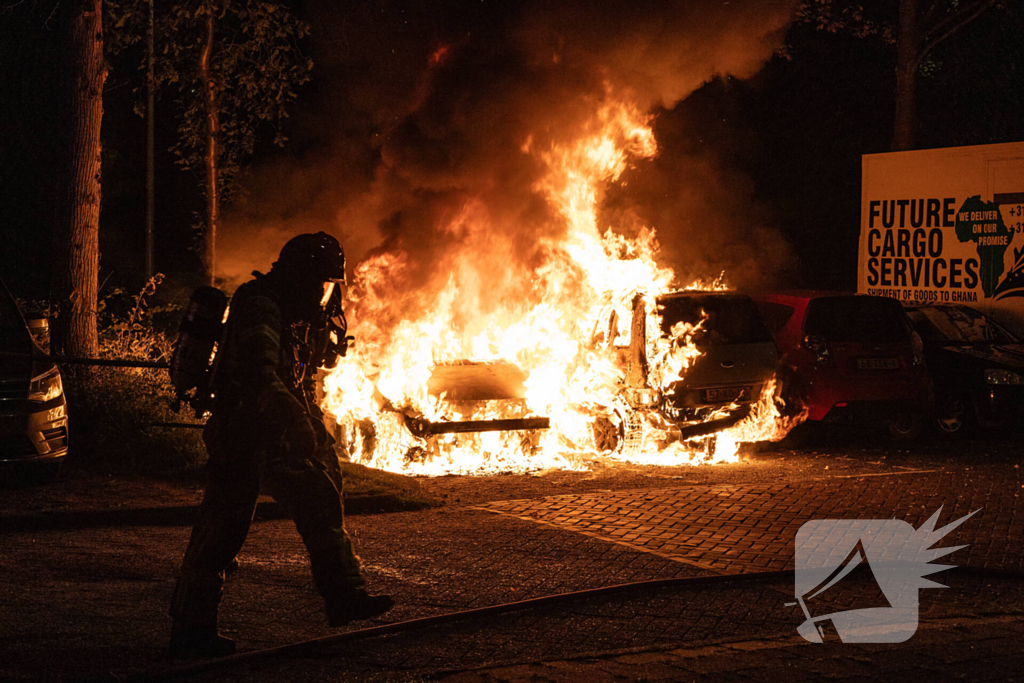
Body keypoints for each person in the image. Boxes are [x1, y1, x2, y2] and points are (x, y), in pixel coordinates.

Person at [168, 232, 392, 659]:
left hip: (264, 428)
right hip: (245, 431)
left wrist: (312, 425)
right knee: (227, 531)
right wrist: (294, 420)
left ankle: (193, 628)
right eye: (321, 284)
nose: (325, 294)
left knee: (236, 525)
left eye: (330, 285)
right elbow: (260, 375)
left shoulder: (288, 311)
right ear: (300, 277)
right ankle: (192, 630)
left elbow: (299, 376)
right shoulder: (260, 307)